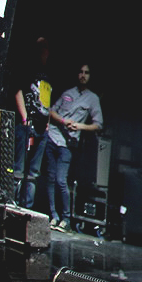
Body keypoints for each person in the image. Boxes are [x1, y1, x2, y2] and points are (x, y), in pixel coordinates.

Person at [44, 62, 103, 230]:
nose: (83, 75)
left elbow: (98, 124)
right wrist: (63, 121)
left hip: (68, 143)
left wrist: (80, 126)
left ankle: (66, 218)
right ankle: (53, 215)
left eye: (86, 72)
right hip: (53, 137)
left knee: (60, 180)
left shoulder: (92, 98)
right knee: (50, 178)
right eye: (80, 72)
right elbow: (51, 111)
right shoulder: (68, 93)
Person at [9, 36, 52, 210]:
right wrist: (24, 117)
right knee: (19, 168)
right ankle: (12, 203)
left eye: (45, 47)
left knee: (33, 172)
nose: (43, 51)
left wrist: (47, 123)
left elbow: (48, 99)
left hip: (42, 127)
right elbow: (17, 89)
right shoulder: (28, 69)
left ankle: (27, 207)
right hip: (27, 125)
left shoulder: (48, 74)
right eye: (40, 47)